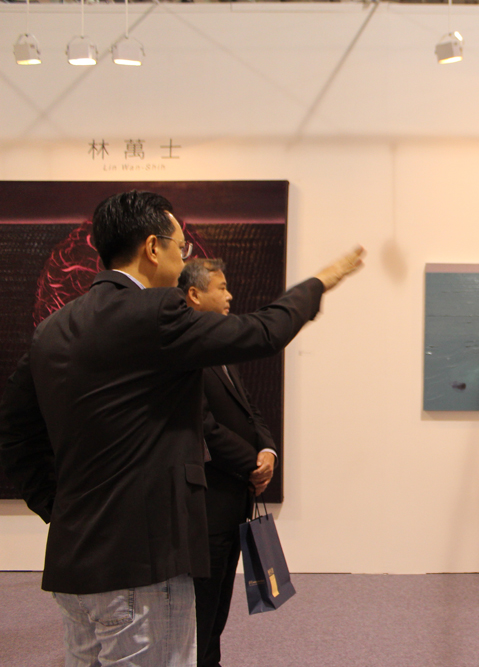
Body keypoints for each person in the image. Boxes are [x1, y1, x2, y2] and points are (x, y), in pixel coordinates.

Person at [0, 190, 364, 667]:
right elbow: (263, 332)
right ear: (153, 248)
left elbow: (14, 434)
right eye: (180, 247)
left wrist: (58, 508)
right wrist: (321, 281)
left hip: (74, 565)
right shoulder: (156, 312)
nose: (183, 257)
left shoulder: (53, 328)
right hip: (143, 567)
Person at [177, 258, 278, 667]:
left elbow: (250, 410)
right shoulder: (184, 354)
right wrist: (251, 463)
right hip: (207, 505)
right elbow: (203, 427)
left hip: (234, 501)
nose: (230, 296)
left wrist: (267, 451)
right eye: (221, 288)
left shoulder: (218, 350)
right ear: (194, 294)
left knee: (218, 607)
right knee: (201, 611)